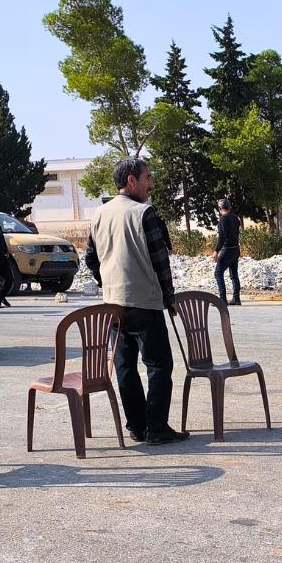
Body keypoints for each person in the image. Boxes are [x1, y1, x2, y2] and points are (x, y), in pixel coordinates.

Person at [84, 158, 188, 445]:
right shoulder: (144, 213)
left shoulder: (99, 214)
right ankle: (156, 427)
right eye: (147, 178)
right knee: (158, 365)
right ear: (131, 180)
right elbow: (160, 261)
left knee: (125, 367)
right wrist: (169, 297)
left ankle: (137, 427)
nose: (151, 184)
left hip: (112, 304)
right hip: (144, 302)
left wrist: (107, 282)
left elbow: (90, 259)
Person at [213, 198, 241, 306]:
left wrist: (216, 250)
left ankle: (222, 299)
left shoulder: (223, 220)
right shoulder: (236, 218)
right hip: (235, 249)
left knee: (218, 273)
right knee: (234, 274)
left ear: (220, 209)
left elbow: (222, 237)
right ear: (229, 207)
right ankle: (236, 298)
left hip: (227, 250)